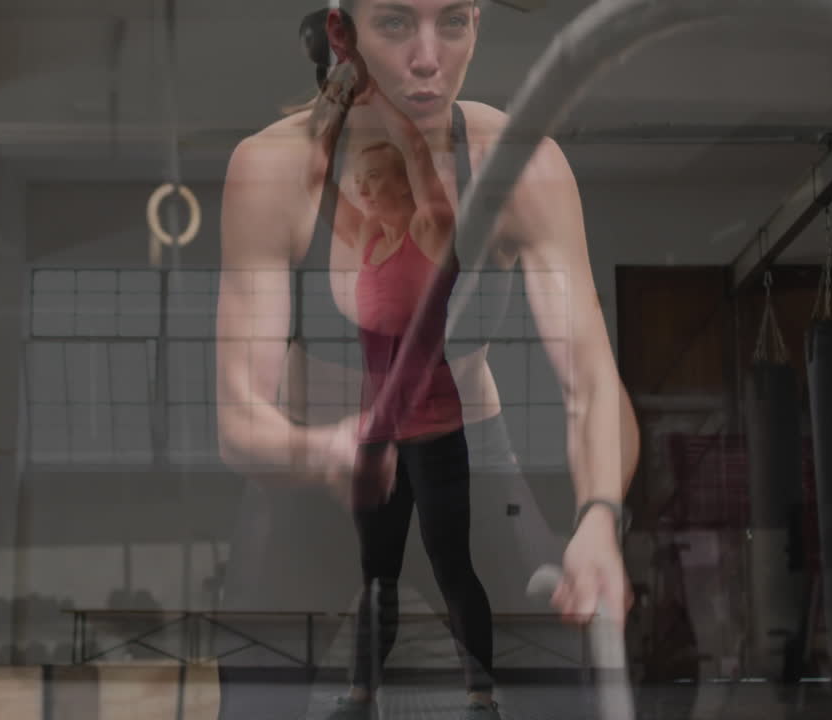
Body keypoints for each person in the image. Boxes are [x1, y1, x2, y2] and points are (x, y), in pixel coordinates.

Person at [214, 1, 640, 718]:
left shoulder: (522, 165)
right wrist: (323, 452)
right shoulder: (275, 170)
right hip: (314, 469)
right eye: (395, 24)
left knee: (563, 677)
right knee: (258, 693)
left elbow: (594, 382)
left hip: (465, 453)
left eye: (452, 22)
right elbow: (238, 417)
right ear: (343, 31)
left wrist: (600, 515)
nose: (426, 56)